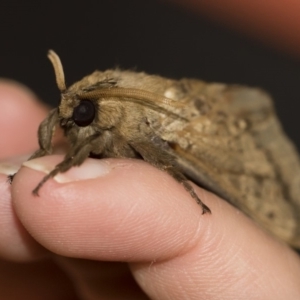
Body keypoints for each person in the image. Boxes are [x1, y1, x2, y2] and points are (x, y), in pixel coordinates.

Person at [1, 2, 300, 299]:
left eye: (79, 115)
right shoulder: (94, 105)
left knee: (278, 219)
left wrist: (61, 166)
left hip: (260, 66)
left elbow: (106, 143)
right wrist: (43, 151)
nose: (68, 123)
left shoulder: (132, 118)